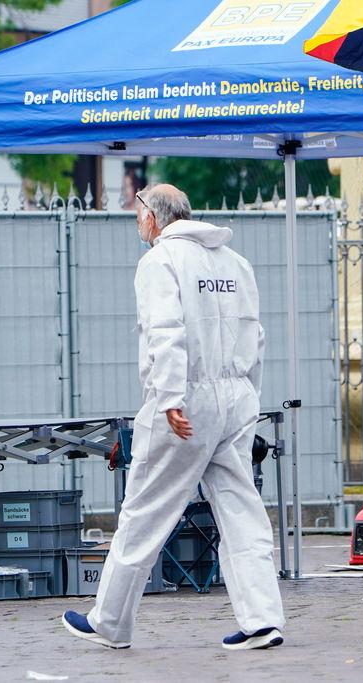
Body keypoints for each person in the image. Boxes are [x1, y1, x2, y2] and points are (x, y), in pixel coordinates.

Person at [61, 184, 285, 650]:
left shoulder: (160, 262)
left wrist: (168, 398)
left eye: (137, 211)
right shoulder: (234, 263)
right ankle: (263, 618)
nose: (136, 222)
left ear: (152, 215)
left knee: (145, 509)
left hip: (189, 399)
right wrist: (248, 397)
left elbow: (166, 330)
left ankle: (110, 621)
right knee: (242, 511)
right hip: (237, 396)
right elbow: (255, 337)